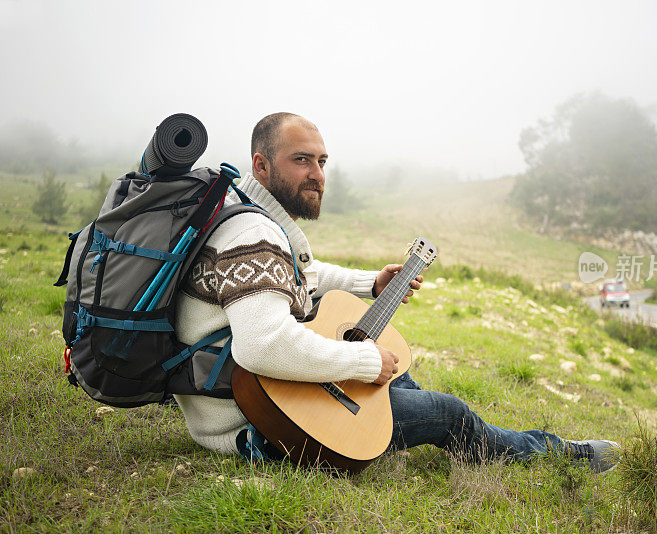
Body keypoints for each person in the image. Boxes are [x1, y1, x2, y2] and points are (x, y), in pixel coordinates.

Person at [173, 112, 618, 473]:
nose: (316, 174)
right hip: (261, 424)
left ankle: (396, 420)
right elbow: (262, 345)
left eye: (322, 162)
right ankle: (557, 455)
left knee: (390, 365)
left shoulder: (244, 216)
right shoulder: (252, 232)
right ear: (260, 165)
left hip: (261, 402)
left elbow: (291, 274)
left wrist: (370, 283)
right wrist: (364, 362)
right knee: (448, 412)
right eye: (301, 160)